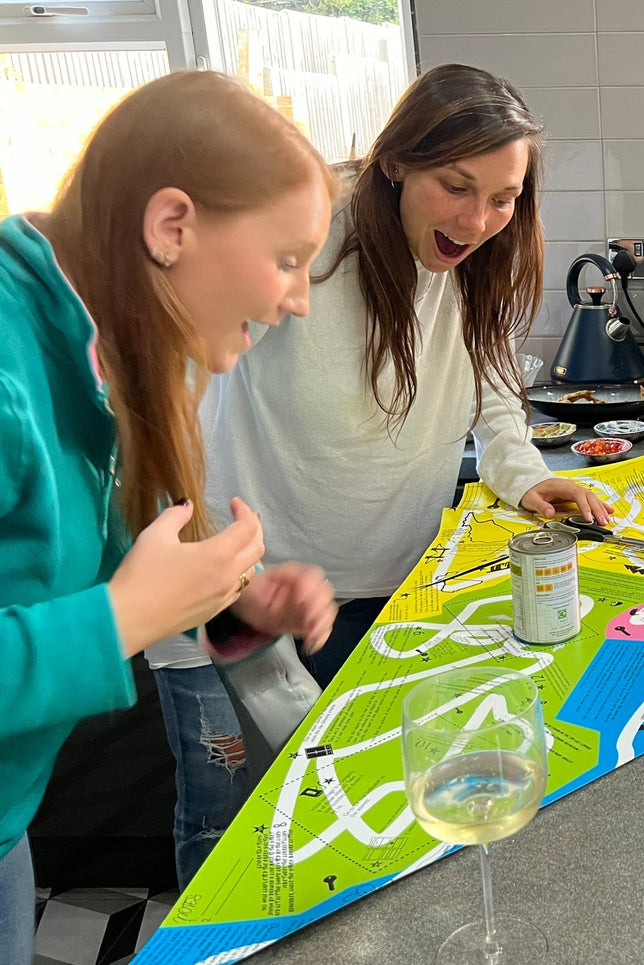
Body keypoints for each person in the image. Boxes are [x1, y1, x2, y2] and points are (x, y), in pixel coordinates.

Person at [145, 64, 612, 887]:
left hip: (388, 590)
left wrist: (524, 474)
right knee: (232, 830)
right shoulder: (305, 236)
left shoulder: (482, 260)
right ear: (395, 161)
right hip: (228, 589)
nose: (476, 221)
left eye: (502, 198)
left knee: (357, 815)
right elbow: (172, 395)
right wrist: (198, 558)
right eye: (454, 186)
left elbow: (494, 393)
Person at [0, 71, 341, 959]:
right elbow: (106, 606)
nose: (297, 299)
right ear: (172, 227)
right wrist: (124, 618)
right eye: (287, 259)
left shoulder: (102, 346)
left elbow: (81, 555)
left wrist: (229, 600)